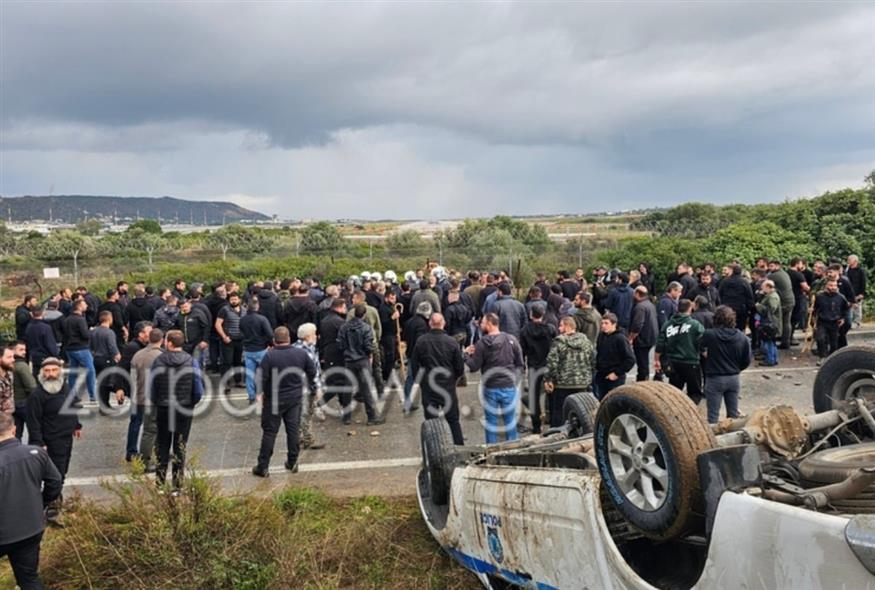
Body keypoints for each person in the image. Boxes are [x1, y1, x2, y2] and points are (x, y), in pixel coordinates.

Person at [0, 412, 63, 590]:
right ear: (14, 430)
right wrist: (41, 503)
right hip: (31, 528)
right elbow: (55, 481)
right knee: (29, 579)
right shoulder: (36, 454)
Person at [251, 326, 318, 477]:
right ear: (289, 339)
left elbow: (261, 377)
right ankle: (293, 462)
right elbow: (312, 371)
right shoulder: (300, 353)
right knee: (293, 430)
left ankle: (263, 466)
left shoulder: (269, 356)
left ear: (274, 340)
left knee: (270, 432)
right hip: (294, 398)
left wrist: (259, 394)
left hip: (274, 400)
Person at [26, 357, 83, 523]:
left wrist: (77, 425)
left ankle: (55, 504)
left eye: (54, 370)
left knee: (61, 473)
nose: (51, 374)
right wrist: (38, 443)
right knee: (55, 478)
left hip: (66, 439)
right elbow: (33, 422)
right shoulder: (37, 395)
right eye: (47, 371)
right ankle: (46, 508)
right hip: (49, 442)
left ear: (60, 371)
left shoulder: (64, 388)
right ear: (42, 373)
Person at [150, 330, 203, 491]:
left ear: (170, 343)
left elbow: (152, 387)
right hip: (184, 407)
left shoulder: (158, 361)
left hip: (164, 407)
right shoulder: (191, 361)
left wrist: (157, 401)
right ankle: (177, 486)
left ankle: (159, 484)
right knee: (180, 447)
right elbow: (198, 388)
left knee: (162, 445)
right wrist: (191, 403)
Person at [464, 313, 524, 444]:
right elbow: (520, 364)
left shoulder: (481, 344)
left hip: (490, 387)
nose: (480, 325)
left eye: (483, 323)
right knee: (510, 421)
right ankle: (513, 449)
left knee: (491, 422)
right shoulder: (511, 340)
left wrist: (466, 355)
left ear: (490, 324)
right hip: (508, 386)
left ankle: (491, 451)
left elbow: (474, 367)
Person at [411, 313, 466, 445]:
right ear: (443, 323)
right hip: (447, 386)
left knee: (431, 422)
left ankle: (434, 450)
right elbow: (459, 367)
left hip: (429, 386)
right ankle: (459, 448)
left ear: (430, 324)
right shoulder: (452, 342)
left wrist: (420, 381)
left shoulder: (421, 341)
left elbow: (414, 365)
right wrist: (454, 379)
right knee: (453, 421)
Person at [701, 306, 751, 424]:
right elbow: (746, 360)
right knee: (733, 416)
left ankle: (713, 440)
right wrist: (736, 368)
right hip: (733, 377)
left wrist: (706, 354)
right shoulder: (742, 337)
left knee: (713, 416)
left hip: (714, 378)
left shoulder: (709, 335)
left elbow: (699, 347)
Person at [337, 304, 384, 425]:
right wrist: (369, 355)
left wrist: (346, 352)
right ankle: (371, 417)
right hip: (362, 359)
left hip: (349, 360)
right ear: (364, 315)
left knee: (347, 388)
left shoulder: (344, 327)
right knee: (366, 388)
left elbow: (340, 343)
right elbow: (369, 345)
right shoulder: (366, 328)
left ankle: (346, 416)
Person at [544, 316, 593, 426]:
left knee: (559, 413)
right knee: (581, 412)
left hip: (563, 384)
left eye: (561, 325)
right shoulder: (586, 342)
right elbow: (592, 360)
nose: (559, 328)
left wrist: (548, 379)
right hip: (582, 383)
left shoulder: (559, 342)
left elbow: (552, 363)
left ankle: (558, 436)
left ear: (567, 326)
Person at [655, 299, 705, 404]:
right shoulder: (695, 325)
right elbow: (703, 342)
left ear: (677, 309)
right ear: (690, 309)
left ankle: (675, 411)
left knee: (674, 393)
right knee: (694, 393)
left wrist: (657, 360)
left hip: (673, 362)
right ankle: (690, 413)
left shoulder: (667, 324)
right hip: (691, 362)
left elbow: (660, 344)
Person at [519, 305, 558, 434]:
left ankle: (536, 426)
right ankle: (553, 423)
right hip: (548, 364)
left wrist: (523, 366)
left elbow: (522, 350)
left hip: (533, 365)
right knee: (551, 394)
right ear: (543, 315)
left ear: (531, 314)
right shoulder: (550, 329)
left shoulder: (525, 331)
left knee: (533, 396)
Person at [130, 328, 164, 471]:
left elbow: (132, 377)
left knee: (145, 428)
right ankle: (146, 461)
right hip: (153, 398)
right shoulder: (161, 356)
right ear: (162, 340)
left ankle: (147, 456)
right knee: (151, 431)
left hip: (138, 396)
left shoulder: (137, 355)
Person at [118, 322, 153, 460]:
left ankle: (134, 450)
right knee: (137, 421)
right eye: (149, 332)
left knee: (140, 421)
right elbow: (122, 367)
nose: (151, 334)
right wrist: (119, 388)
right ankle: (131, 451)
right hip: (137, 390)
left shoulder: (142, 347)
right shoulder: (132, 348)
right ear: (141, 334)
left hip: (140, 389)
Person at [293, 323, 326, 451]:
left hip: (297, 386)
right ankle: (307, 440)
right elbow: (313, 372)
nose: (316, 336)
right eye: (314, 333)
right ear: (307, 336)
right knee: (306, 413)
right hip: (306, 387)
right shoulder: (307, 350)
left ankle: (300, 437)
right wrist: (318, 388)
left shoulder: (296, 346)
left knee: (302, 413)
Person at [240, 297, 274, 404]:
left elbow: (241, 332)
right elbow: (269, 334)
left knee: (250, 374)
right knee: (265, 373)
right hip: (261, 349)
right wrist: (270, 344)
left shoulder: (243, 320)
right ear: (257, 306)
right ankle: (266, 393)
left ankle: (251, 395)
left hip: (248, 350)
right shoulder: (262, 319)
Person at [593, 313, 635, 399]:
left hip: (614, 378)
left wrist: (616, 373)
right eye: (602, 323)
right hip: (601, 375)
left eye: (606, 323)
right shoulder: (601, 336)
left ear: (614, 324)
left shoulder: (620, 338)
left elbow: (630, 359)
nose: (603, 326)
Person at [64, 298, 96, 402]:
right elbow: (85, 335)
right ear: (79, 306)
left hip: (70, 349)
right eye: (84, 304)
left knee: (73, 372)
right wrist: (91, 331)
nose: (86, 305)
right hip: (81, 348)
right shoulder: (80, 319)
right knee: (90, 371)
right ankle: (93, 395)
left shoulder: (67, 319)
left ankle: (72, 394)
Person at [403, 302, 432, 413]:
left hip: (410, 352)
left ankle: (407, 402)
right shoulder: (422, 324)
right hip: (419, 355)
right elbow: (421, 341)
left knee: (410, 378)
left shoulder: (410, 321)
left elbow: (405, 337)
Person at [90, 310, 121, 412]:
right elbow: (112, 346)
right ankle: (105, 405)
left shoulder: (93, 331)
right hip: (106, 359)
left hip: (96, 359)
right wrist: (117, 356)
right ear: (109, 319)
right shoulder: (109, 332)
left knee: (101, 381)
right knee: (108, 382)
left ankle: (104, 404)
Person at [813, 279, 850, 359]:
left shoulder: (841, 297)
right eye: (831, 285)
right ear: (826, 286)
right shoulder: (819, 296)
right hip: (822, 321)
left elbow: (846, 309)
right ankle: (822, 357)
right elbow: (815, 309)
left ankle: (832, 358)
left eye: (835, 285)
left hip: (835, 322)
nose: (833, 287)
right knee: (820, 339)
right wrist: (813, 318)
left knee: (834, 343)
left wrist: (843, 318)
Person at [215, 291, 245, 391]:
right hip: (228, 340)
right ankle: (225, 383)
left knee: (238, 362)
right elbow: (218, 324)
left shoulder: (244, 310)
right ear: (229, 300)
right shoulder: (224, 310)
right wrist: (224, 336)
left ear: (239, 300)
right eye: (232, 299)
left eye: (235, 299)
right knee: (226, 362)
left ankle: (238, 381)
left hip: (240, 340)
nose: (234, 301)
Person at [628, 286, 658, 382]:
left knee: (642, 362)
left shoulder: (640, 307)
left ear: (637, 294)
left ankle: (642, 380)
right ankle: (644, 377)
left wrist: (631, 337)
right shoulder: (650, 304)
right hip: (651, 336)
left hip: (642, 338)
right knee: (644, 361)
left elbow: (637, 324)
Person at [767, 260, 796, 349]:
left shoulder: (773, 276)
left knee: (777, 321)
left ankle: (776, 339)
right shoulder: (784, 273)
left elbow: (765, 283)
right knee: (787, 322)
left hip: (783, 302)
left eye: (771, 266)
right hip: (790, 300)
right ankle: (786, 341)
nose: (769, 268)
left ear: (777, 266)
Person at [11, 342, 36, 440]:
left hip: (12, 403)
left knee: (16, 432)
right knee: (35, 429)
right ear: (12, 350)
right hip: (24, 402)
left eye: (25, 350)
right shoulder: (21, 365)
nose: (24, 352)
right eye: (21, 349)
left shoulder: (8, 365)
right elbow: (31, 386)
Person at [24, 307, 59, 378]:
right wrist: (56, 356)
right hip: (45, 356)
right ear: (43, 313)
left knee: (36, 375)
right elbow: (50, 344)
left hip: (34, 355)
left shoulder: (29, 327)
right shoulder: (46, 327)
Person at [755, 279, 782, 367]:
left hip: (771, 323)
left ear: (768, 287)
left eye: (763, 287)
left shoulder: (772, 297)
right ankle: (772, 358)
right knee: (771, 342)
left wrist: (759, 306)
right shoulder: (769, 295)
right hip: (770, 322)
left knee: (769, 342)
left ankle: (770, 360)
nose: (762, 289)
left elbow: (771, 309)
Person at [846, 255, 867, 329]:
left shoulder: (860, 270)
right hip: (849, 292)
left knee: (857, 308)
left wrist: (862, 293)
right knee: (850, 308)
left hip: (858, 292)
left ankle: (857, 322)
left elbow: (863, 282)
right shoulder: (847, 270)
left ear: (855, 261)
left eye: (849, 260)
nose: (848, 261)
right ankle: (850, 322)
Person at [0, 345, 14, 418]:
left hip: (8, 418)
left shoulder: (9, 374)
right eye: (9, 357)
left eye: (13, 357)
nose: (13, 360)